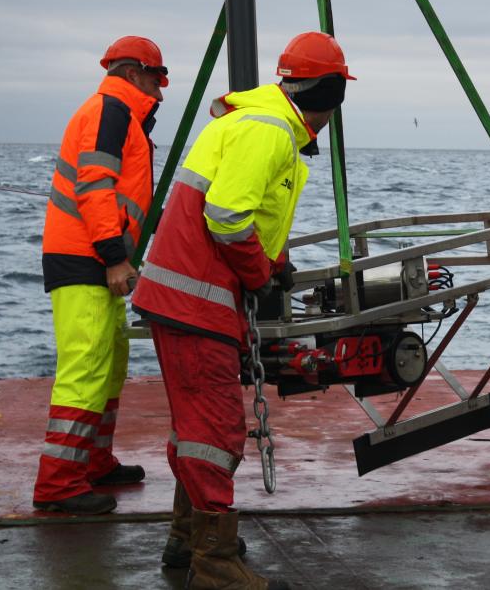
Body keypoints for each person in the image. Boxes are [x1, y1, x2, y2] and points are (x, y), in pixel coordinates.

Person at [132, 31, 353, 588]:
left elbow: (242, 212)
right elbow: (228, 216)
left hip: (181, 295)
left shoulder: (250, 121)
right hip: (196, 297)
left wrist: (270, 261)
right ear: (329, 93)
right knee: (218, 431)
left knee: (193, 426)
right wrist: (259, 272)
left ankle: (187, 538)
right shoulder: (269, 130)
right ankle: (216, 565)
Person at [33, 36, 168, 515]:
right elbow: (94, 187)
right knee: (86, 369)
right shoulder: (110, 112)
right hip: (85, 258)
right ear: (133, 74)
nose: (160, 92)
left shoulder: (121, 116)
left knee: (109, 366)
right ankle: (58, 484)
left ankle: (93, 462)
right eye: (156, 79)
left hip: (94, 256)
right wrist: (114, 256)